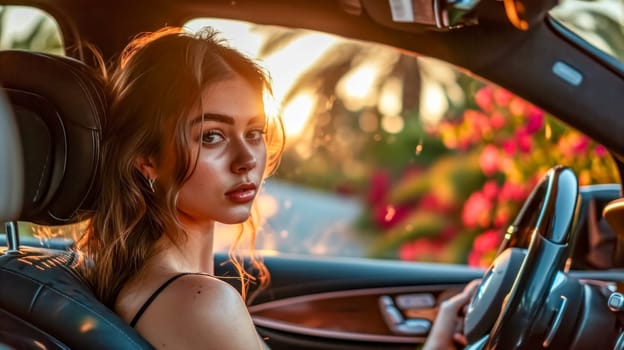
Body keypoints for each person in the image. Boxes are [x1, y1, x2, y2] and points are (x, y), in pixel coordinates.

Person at [77, 26, 478, 349]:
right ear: (146, 158)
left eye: (254, 131)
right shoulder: (198, 303)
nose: (247, 159)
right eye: (212, 136)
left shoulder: (148, 285)